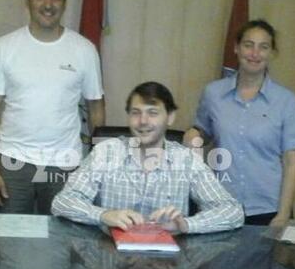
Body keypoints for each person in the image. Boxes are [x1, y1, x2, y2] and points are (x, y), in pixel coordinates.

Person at [0, 0, 105, 215]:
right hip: (11, 163)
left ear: (64, 3)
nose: (48, 4)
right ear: (28, 1)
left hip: (65, 165)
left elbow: (96, 107)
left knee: (62, 244)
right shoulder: (4, 47)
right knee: (8, 244)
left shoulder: (84, 49)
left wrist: (96, 166)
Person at [52, 81, 244, 234]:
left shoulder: (187, 160)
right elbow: (62, 202)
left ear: (170, 117)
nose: (143, 121)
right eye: (136, 113)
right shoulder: (106, 152)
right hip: (110, 262)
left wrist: (186, 224)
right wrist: (103, 215)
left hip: (167, 266)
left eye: (153, 113)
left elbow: (232, 212)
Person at [185, 19, 295, 226]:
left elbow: (292, 161)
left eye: (263, 47)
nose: (255, 53)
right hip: (221, 205)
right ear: (236, 48)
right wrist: (194, 134)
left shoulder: (287, 101)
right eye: (248, 45)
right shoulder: (213, 93)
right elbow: (204, 131)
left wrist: (283, 214)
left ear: (272, 53)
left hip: (268, 209)